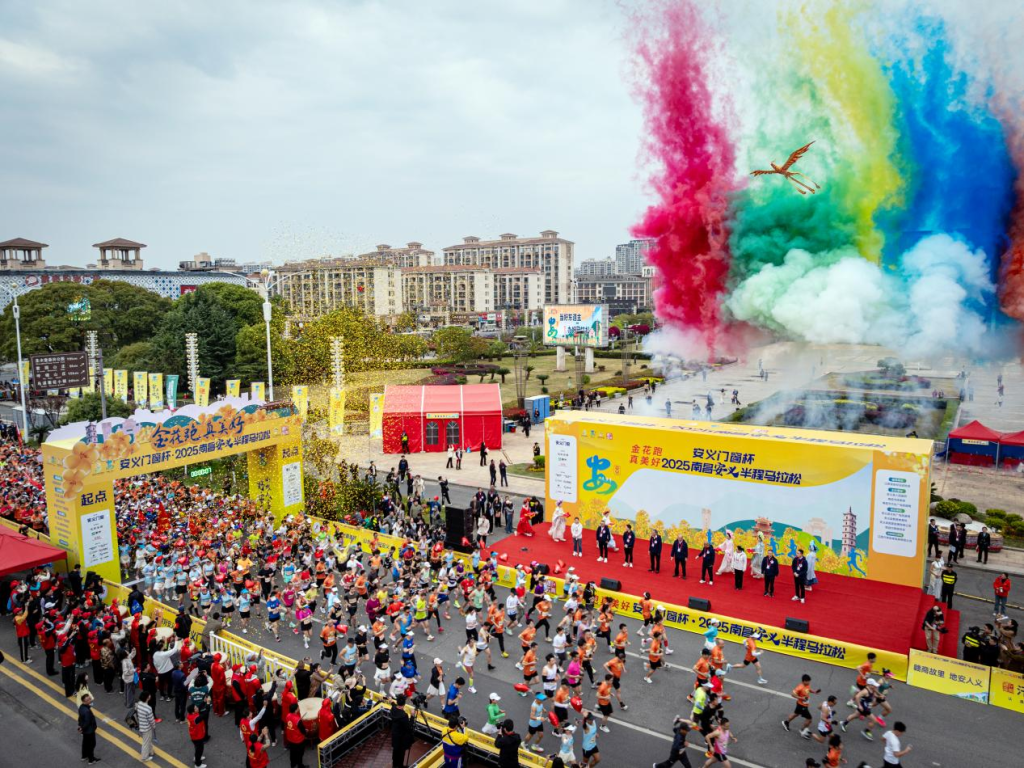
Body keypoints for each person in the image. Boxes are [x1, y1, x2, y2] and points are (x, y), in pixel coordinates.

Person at [390, 694, 414, 768]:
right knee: (401, 753)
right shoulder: (404, 715)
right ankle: (400, 765)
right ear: (404, 703)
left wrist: (391, 702)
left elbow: (394, 706)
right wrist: (412, 716)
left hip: (394, 735)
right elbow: (409, 727)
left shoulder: (393, 709)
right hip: (401, 738)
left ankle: (394, 765)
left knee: (395, 751)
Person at [77, 692, 99, 765]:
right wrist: (82, 728)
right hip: (89, 730)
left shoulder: (81, 707)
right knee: (92, 744)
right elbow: (87, 722)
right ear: (84, 701)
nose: (90, 700)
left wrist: (80, 726)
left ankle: (84, 756)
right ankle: (91, 759)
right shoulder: (86, 711)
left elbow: (80, 718)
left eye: (89, 698)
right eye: (88, 700)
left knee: (85, 743)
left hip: (86, 731)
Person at [137, 691, 157, 762]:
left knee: (147, 739)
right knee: (146, 742)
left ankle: (151, 751)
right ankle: (144, 757)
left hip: (141, 726)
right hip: (147, 728)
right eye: (149, 695)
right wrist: (154, 726)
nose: (150, 696)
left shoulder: (138, 704)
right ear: (147, 698)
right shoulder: (148, 708)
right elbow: (151, 720)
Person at [186, 704, 208, 768]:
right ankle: (198, 764)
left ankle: (196, 757)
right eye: (196, 708)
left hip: (194, 736)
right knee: (199, 750)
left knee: (197, 748)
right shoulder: (195, 718)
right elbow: (205, 714)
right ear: (193, 711)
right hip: (198, 737)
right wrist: (208, 704)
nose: (197, 708)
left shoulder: (190, 715)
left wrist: (203, 702)